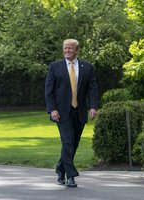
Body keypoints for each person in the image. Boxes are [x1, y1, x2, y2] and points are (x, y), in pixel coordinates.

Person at [45, 39, 98, 187]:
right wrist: (52, 109)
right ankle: (71, 176)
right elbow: (49, 91)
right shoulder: (55, 67)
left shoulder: (87, 67)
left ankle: (60, 168)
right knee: (67, 141)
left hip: (79, 111)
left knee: (73, 144)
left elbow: (92, 89)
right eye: (65, 48)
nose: (67, 51)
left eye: (70, 48)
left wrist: (93, 106)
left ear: (77, 50)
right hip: (61, 112)